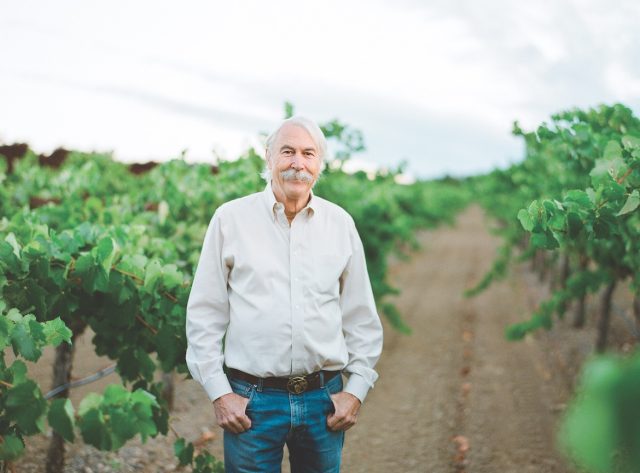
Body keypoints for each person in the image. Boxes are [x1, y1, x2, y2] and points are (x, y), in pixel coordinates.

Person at [185, 115, 383, 472]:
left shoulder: (340, 224)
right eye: (287, 151)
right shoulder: (230, 220)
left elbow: (361, 317)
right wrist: (220, 392)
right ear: (269, 156)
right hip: (252, 403)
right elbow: (205, 313)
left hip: (323, 401)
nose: (298, 163)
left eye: (308, 153)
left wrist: (356, 390)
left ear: (319, 163)